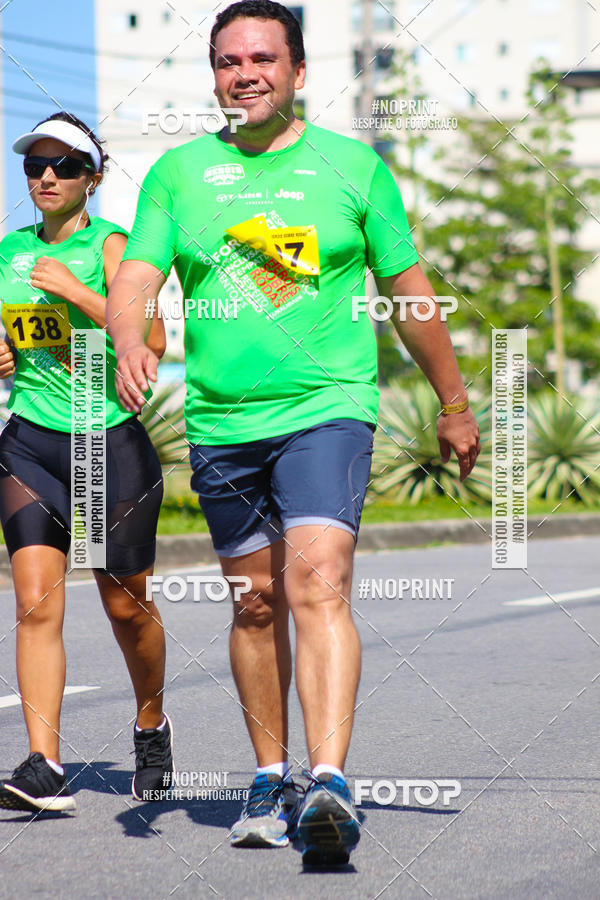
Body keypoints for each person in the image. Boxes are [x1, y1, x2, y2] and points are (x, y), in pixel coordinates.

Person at [107, 0, 480, 864]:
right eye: (230, 61)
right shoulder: (179, 174)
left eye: (264, 59)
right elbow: (135, 276)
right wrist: (129, 335)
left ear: (299, 73)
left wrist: (455, 400)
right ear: (214, 76)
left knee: (317, 586)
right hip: (223, 421)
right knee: (256, 600)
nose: (247, 74)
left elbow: (411, 294)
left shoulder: (353, 170)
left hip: (328, 408)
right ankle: (270, 777)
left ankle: (328, 783)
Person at [0, 112, 173, 814]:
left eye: (65, 166)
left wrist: (76, 293)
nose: (47, 177)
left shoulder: (113, 246)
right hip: (31, 440)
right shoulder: (8, 252)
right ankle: (44, 763)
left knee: (125, 608)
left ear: (92, 178)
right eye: (35, 165)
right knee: (35, 600)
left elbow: (153, 336)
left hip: (107, 445)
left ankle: (152, 723)